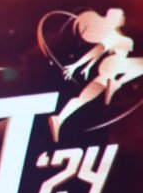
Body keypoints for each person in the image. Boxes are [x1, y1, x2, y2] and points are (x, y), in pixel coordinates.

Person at [43, 8, 143, 141]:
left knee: (82, 98)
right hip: (114, 64)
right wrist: (76, 65)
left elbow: (99, 52)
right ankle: (116, 84)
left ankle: (59, 118)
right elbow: (98, 50)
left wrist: (87, 67)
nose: (124, 17)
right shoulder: (113, 35)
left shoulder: (112, 35)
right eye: (121, 15)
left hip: (107, 72)